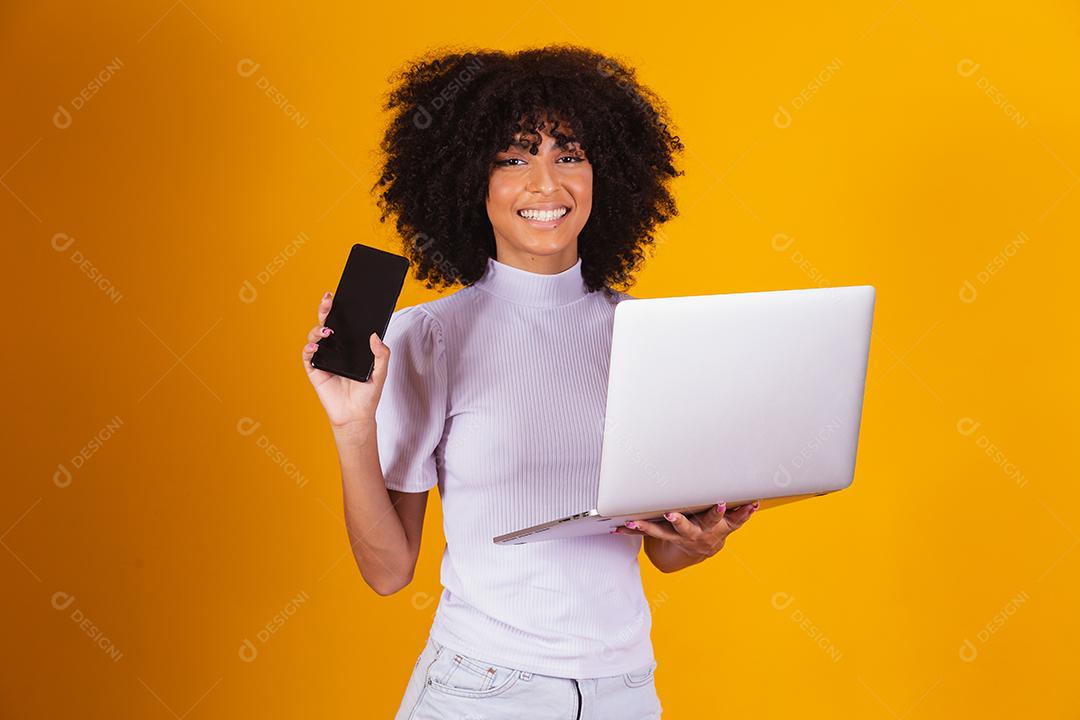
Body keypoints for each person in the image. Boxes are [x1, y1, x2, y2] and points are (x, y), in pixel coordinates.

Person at [300, 44, 760, 720]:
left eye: (568, 156)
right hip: (481, 692)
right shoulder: (426, 337)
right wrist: (352, 427)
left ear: (605, 173)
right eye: (513, 159)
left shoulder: (651, 337)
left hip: (624, 691)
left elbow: (663, 554)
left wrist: (704, 540)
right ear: (469, 183)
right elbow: (388, 571)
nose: (546, 186)